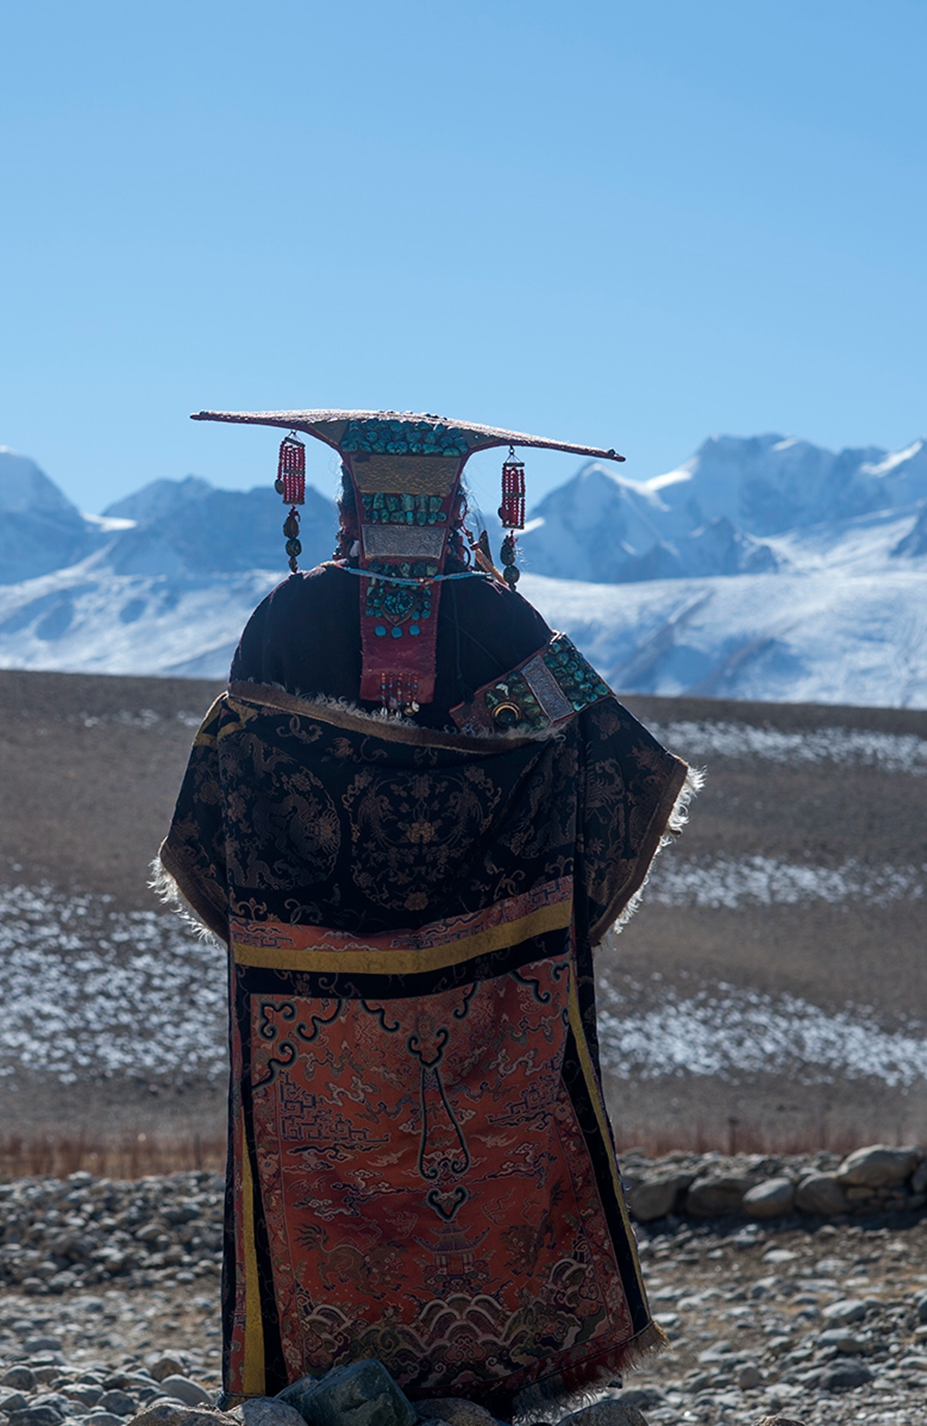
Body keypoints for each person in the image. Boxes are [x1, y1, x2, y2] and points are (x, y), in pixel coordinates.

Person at [157, 410, 699, 1419]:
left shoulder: (283, 617)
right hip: (508, 980)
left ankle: (318, 1374)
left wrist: (285, 924)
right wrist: (550, 914)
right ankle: (502, 1371)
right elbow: (626, 778)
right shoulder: (515, 629)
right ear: (462, 505)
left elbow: (208, 818)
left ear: (345, 501)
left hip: (305, 994)